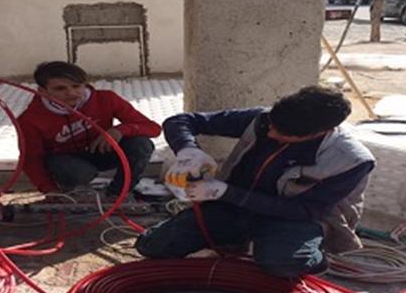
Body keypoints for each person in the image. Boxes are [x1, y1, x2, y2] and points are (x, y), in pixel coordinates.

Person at [135, 86, 375, 278]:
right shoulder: (263, 120)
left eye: (281, 133)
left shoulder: (351, 161)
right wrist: (189, 150)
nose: (269, 133)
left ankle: (315, 256)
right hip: (232, 209)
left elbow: (306, 211)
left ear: (319, 132)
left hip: (292, 221)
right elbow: (179, 121)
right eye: (271, 125)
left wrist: (227, 192)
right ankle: (236, 240)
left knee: (283, 263)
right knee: (152, 246)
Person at [18, 61, 161, 198]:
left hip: (101, 151)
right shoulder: (30, 119)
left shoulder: (106, 99)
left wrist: (119, 131)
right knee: (73, 171)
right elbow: (31, 159)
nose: (71, 93)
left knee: (141, 144)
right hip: (66, 161)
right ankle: (71, 193)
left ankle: (119, 193)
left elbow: (153, 128)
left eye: (76, 86)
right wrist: (49, 190)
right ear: (43, 91)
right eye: (60, 89)